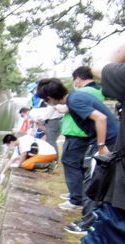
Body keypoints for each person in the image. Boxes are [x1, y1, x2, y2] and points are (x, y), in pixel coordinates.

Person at [0, 45, 125, 244]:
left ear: (52, 97)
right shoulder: (72, 103)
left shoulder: (78, 97)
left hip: (121, 196)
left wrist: (103, 148)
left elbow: (102, 72)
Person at [33, 78, 119, 211]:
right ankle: (88, 212)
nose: (47, 103)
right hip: (105, 139)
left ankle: (88, 220)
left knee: (93, 178)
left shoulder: (74, 100)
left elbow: (101, 118)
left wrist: (101, 146)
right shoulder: (75, 97)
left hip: (109, 141)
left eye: (45, 100)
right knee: (92, 174)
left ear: (50, 98)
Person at [57, 66, 106, 232]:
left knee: (72, 164)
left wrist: (101, 145)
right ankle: (76, 195)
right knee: (82, 168)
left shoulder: (80, 95)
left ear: (78, 78)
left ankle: (76, 198)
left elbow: (67, 109)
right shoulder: (99, 91)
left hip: (78, 135)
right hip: (86, 136)